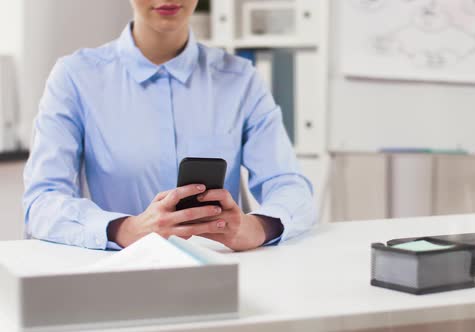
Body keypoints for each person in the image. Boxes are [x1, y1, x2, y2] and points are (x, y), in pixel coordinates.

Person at [22, 0, 315, 251]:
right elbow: (41, 203)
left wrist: (257, 227)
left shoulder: (240, 79)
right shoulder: (75, 78)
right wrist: (125, 229)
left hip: (217, 275)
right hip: (118, 278)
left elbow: (291, 187)